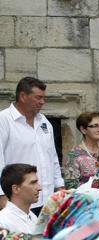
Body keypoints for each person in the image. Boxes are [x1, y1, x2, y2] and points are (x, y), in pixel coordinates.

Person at [0, 77, 64, 214]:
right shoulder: (3, 120)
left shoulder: (44, 121)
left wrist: (60, 186)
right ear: (23, 96)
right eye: (38, 97)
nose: (43, 102)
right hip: (18, 202)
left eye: (43, 98)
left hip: (48, 200)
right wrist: (1, 196)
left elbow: (52, 157)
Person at [63, 112, 99, 189]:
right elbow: (71, 186)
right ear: (83, 130)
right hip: (86, 199)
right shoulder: (74, 155)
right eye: (95, 126)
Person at [0, 164, 40, 233]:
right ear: (16, 189)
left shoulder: (33, 217)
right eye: (33, 183)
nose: (39, 188)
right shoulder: (3, 222)